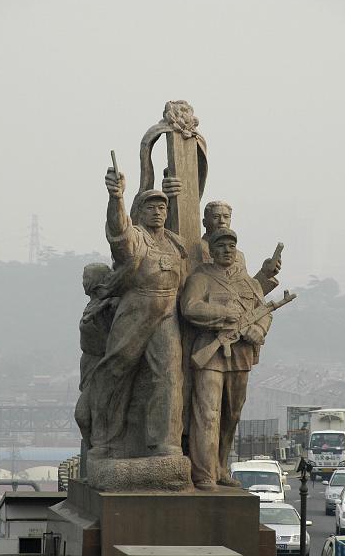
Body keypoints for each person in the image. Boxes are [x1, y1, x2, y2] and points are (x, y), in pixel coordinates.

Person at [88, 167, 188, 458]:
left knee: (169, 375)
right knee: (116, 370)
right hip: (136, 308)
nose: (157, 212)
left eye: (162, 206)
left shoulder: (175, 242)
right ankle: (105, 440)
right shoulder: (135, 237)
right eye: (150, 207)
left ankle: (163, 441)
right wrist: (115, 197)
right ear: (140, 212)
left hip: (167, 311)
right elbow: (118, 232)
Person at [181, 227, 272, 490]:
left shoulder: (249, 282)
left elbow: (264, 312)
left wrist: (259, 329)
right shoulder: (201, 277)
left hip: (240, 355)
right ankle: (203, 473)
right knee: (207, 414)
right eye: (221, 246)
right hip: (210, 352)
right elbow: (189, 307)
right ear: (211, 250)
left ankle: (220, 466)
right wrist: (223, 314)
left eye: (231, 246)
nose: (227, 250)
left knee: (231, 415)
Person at [74, 263, 118, 448]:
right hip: (88, 363)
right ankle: (94, 449)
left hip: (102, 364)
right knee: (87, 415)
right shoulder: (93, 304)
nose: (83, 282)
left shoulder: (108, 305)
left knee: (84, 414)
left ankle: (99, 449)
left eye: (87, 278)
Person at [200, 200, 281, 295]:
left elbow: (246, 293)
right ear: (204, 222)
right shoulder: (196, 249)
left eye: (226, 217)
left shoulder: (238, 255)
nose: (222, 221)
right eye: (216, 217)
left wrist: (265, 274)